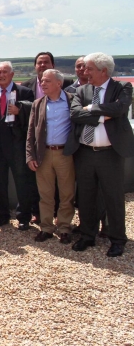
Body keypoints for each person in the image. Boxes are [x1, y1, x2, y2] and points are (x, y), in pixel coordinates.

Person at [68, 53, 133, 257]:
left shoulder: (121, 88)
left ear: (103, 71)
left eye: (89, 69)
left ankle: (117, 239)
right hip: (85, 153)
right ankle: (87, 235)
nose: (84, 72)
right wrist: (105, 116)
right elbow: (76, 114)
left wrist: (93, 109)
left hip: (110, 154)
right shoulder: (82, 90)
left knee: (113, 197)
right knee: (86, 196)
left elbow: (120, 108)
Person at [0, 61, 38, 230]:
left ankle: (24, 217)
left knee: (22, 183)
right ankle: (1, 216)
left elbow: (34, 115)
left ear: (12, 74)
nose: (1, 75)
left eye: (5, 72)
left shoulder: (25, 92)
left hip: (18, 146)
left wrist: (20, 110)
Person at [26, 70, 76, 244]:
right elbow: (31, 132)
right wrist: (30, 155)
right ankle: (46, 228)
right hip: (43, 154)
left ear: (58, 83)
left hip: (65, 154)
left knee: (66, 193)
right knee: (45, 194)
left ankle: (64, 228)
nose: (42, 83)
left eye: (47, 81)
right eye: (41, 81)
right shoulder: (38, 104)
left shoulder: (72, 101)